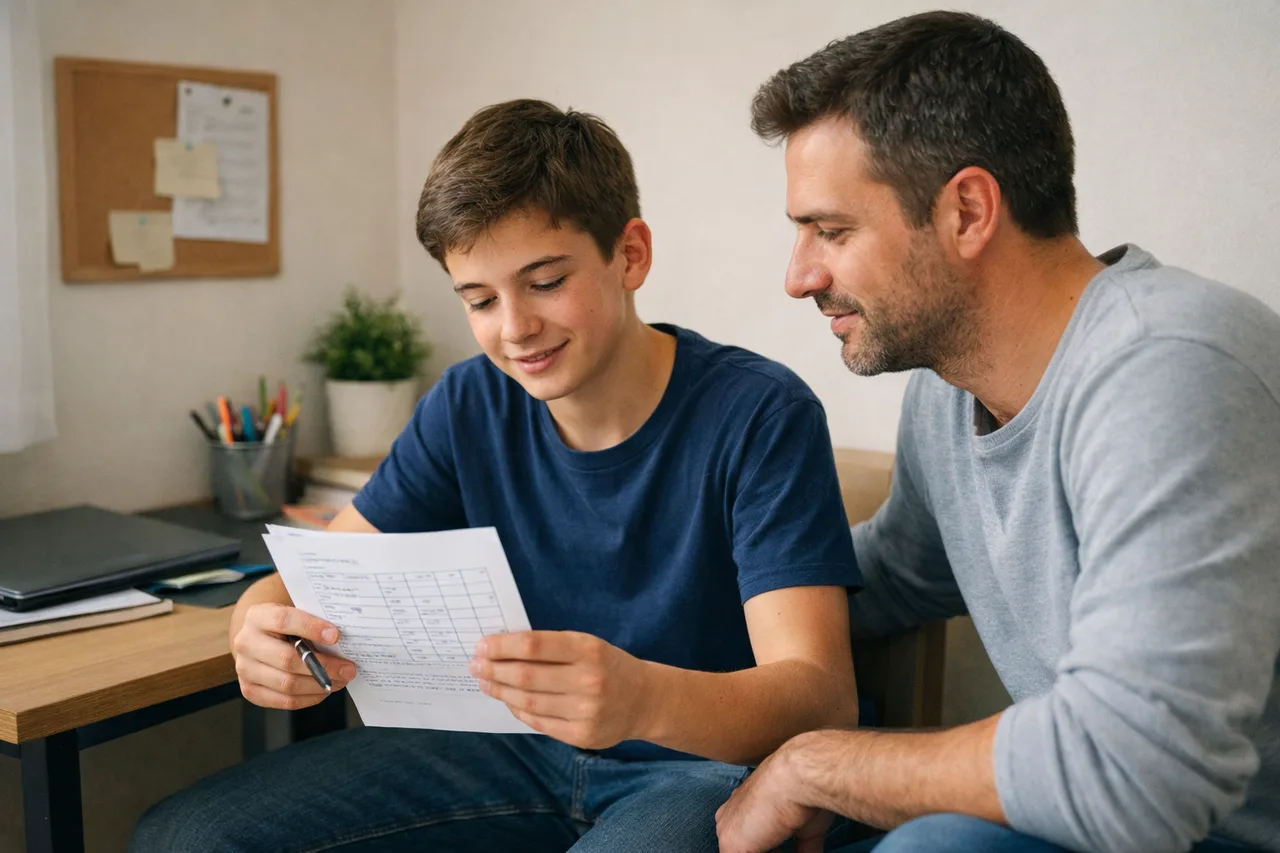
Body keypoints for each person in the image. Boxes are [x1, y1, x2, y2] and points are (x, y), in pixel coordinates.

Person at [129, 99, 862, 852]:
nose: (513, 329)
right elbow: (318, 572)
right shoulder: (468, 402)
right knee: (184, 836)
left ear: (630, 255)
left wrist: (644, 697)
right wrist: (256, 617)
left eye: (544, 282)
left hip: (699, 771)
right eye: (479, 299)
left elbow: (819, 692)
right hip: (509, 750)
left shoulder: (759, 414)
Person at [715, 10, 1280, 853]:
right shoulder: (950, 396)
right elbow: (888, 578)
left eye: (831, 231)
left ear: (969, 211)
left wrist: (818, 765)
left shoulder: (1172, 369)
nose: (800, 276)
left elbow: (1135, 770)